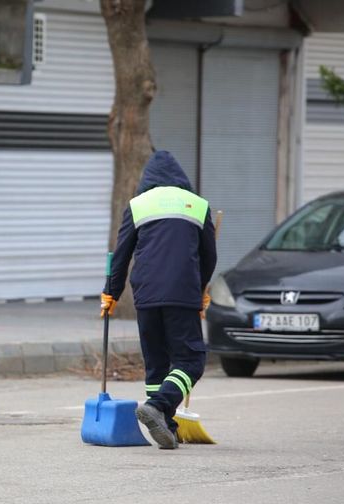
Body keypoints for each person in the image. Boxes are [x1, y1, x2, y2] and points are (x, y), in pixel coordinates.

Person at [101, 150, 217, 450]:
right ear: (181, 178)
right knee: (191, 361)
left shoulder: (137, 205)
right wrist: (200, 288)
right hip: (182, 294)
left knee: (157, 364)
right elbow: (210, 256)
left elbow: (121, 254)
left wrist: (110, 293)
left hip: (146, 296)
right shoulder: (197, 205)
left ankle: (167, 423)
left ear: (147, 179)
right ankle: (158, 406)